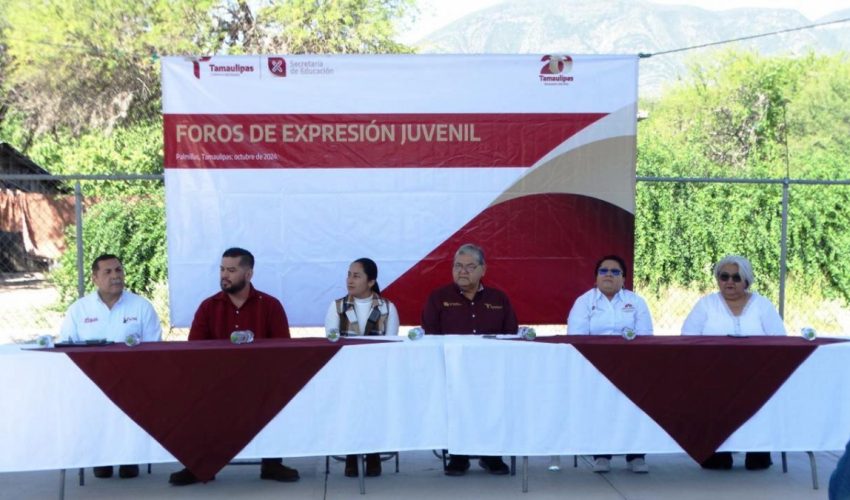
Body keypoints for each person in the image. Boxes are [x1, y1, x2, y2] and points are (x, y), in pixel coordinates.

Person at [169, 247, 299, 486]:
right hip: (216, 382)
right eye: (221, 269)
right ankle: (200, 465)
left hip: (259, 381)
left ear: (248, 274)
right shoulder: (208, 307)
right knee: (191, 394)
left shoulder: (270, 306)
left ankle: (271, 464)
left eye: (231, 270)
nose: (224, 275)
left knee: (278, 391)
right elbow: (194, 351)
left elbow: (283, 351)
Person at [60, 253, 162, 480]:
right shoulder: (79, 310)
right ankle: (101, 457)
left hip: (132, 379)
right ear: (95, 278)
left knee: (133, 399)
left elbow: (155, 347)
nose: (115, 276)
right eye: (108, 272)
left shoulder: (141, 307)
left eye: (118, 270)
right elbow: (66, 345)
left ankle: (130, 458)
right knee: (93, 408)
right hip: (91, 381)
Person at [682, 254, 786, 471]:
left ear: (746, 281)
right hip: (713, 374)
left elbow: (779, 338)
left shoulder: (762, 305)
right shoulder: (706, 304)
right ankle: (717, 454)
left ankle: (758, 453)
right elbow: (687, 336)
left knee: (757, 406)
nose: (729, 282)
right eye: (724, 276)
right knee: (715, 408)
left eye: (736, 277)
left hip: (756, 375)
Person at [422, 243, 517, 476]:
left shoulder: (499, 298)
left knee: (492, 408)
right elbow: (430, 334)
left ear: (483, 269)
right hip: (452, 371)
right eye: (457, 266)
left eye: (469, 266)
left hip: (491, 372)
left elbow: (511, 334)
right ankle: (458, 456)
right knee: (456, 410)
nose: (462, 271)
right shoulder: (439, 298)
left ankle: (491, 456)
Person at [566, 254, 652, 474]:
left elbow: (645, 336)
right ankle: (601, 455)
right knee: (601, 408)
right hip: (595, 366)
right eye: (603, 271)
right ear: (596, 277)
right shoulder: (584, 302)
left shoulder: (636, 302)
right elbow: (577, 336)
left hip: (631, 366)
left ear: (624, 278)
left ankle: (636, 456)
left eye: (615, 272)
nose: (609, 275)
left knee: (633, 408)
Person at [324, 257, 400, 478]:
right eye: (348, 274)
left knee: (374, 410)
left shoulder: (387, 307)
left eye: (356, 276)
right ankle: (351, 455)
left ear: (371, 281)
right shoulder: (337, 306)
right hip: (345, 372)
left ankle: (374, 454)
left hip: (377, 373)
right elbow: (331, 340)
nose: (350, 280)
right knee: (350, 410)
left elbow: (392, 342)